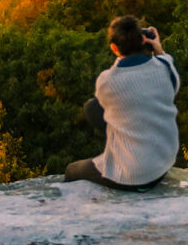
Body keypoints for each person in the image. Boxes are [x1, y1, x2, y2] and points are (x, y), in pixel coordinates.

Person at [64, 15, 180, 191]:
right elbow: (170, 83)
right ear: (143, 39)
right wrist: (158, 48)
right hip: (162, 164)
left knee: (72, 170)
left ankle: (124, 155)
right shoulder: (165, 66)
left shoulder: (106, 81)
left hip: (130, 176)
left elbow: (109, 104)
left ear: (114, 48)